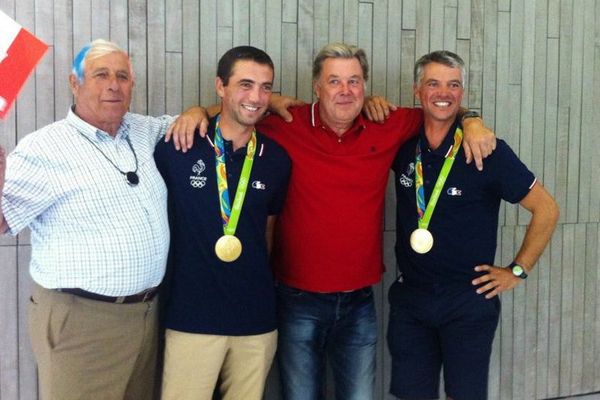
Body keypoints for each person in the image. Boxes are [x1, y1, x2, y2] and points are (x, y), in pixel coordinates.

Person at [170, 42, 496, 400]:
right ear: (316, 87)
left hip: (359, 303)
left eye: (354, 81)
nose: (345, 91)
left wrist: (473, 119)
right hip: (296, 300)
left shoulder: (386, 124)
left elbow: (441, 106)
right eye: (335, 81)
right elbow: (241, 108)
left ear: (365, 86)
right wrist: (197, 110)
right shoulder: (285, 122)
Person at [0, 39, 196, 400]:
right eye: (101, 74)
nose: (113, 85)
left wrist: (198, 110)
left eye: (123, 76)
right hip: (81, 322)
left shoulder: (143, 130)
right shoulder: (44, 148)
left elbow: (194, 124)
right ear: (75, 83)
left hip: (147, 314)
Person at [387, 50, 559, 400]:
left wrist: (517, 270)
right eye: (433, 83)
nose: (444, 92)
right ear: (418, 90)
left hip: (467, 299)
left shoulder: (486, 150)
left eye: (453, 85)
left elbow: (547, 210)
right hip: (411, 299)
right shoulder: (402, 146)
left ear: (462, 93)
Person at [155, 46, 290, 400]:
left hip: (256, 319)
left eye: (265, 87)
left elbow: (267, 234)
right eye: (245, 84)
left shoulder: (276, 159)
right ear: (220, 86)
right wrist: (194, 112)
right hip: (191, 317)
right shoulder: (179, 144)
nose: (256, 97)